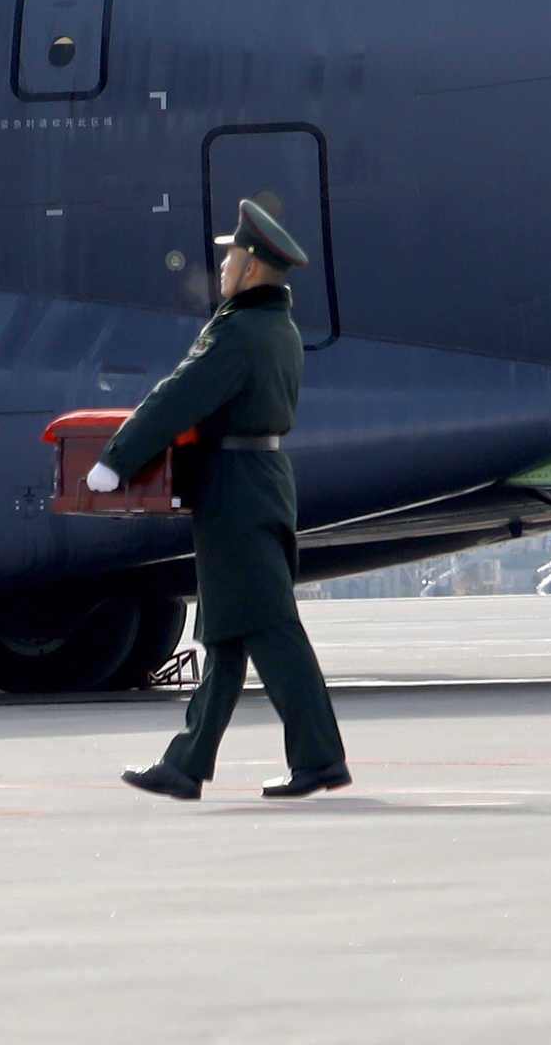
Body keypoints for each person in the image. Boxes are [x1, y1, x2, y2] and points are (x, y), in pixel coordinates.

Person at [106, 197, 347, 801]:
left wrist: (117, 458)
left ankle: (319, 758)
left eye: (231, 256)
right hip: (259, 479)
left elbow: (179, 395)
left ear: (253, 266)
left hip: (235, 489)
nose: (222, 266)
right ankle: (187, 764)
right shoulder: (279, 328)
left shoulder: (238, 332)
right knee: (226, 632)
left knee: (268, 627)